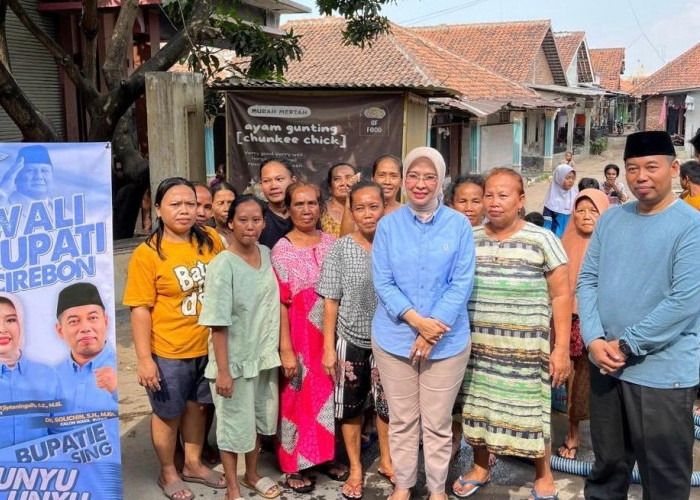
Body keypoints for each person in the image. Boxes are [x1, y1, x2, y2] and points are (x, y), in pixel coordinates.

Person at [578, 131, 700, 500]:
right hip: (606, 365)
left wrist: (628, 345)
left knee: (662, 476)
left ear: (674, 168)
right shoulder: (612, 220)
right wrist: (594, 340)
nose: (641, 176)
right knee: (607, 466)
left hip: (662, 373)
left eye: (651, 166)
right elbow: (587, 279)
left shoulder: (691, 226)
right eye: (633, 168)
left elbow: (684, 301)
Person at [455, 168, 571, 500]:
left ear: (521, 201)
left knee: (532, 414)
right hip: (479, 350)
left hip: (525, 352)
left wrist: (560, 348)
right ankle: (480, 466)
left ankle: (543, 473)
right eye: (488, 195)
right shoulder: (470, 239)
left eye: (503, 195)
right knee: (476, 410)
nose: (493, 202)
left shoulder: (543, 239)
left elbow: (562, 295)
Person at [372, 146, 475, 500]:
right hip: (394, 337)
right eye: (413, 176)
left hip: (447, 341)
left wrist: (433, 329)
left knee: (436, 422)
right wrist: (418, 322)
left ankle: (436, 489)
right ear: (403, 180)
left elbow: (461, 282)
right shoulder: (388, 225)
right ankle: (403, 485)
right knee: (402, 420)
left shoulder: (459, 225)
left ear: (440, 180)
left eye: (429, 176)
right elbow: (383, 281)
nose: (420, 184)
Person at [123, 177, 225, 500]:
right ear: (158, 209)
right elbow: (140, 309)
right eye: (175, 204)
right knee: (168, 413)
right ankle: (168, 471)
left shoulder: (210, 240)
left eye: (190, 204)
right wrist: (144, 359)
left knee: (197, 407)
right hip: (169, 350)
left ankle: (193, 464)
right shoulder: (148, 254)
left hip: (206, 345)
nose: (184, 210)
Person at [199, 195, 281, 500]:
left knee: (258, 419)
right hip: (232, 362)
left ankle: (253, 474)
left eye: (256, 220)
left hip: (262, 357)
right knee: (233, 427)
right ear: (230, 223)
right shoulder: (223, 265)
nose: (250, 226)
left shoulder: (266, 253)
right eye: (243, 220)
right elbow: (217, 323)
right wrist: (223, 371)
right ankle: (232, 487)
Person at [317, 181, 393, 499]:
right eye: (359, 207)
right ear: (351, 210)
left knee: (386, 406)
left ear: (384, 207)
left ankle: (387, 461)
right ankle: (356, 468)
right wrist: (328, 348)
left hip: (389, 340)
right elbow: (330, 300)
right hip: (350, 339)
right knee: (350, 409)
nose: (367, 214)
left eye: (373, 206)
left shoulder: (395, 245)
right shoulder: (341, 248)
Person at [271, 182, 345, 493]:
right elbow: (280, 303)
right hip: (298, 337)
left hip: (329, 334)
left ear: (321, 207)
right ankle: (292, 466)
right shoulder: (281, 249)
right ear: (287, 209)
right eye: (299, 204)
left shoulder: (332, 243)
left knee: (328, 397)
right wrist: (286, 349)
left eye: (312, 203)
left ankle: (324, 457)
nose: (306, 209)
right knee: (295, 400)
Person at [556, 190, 609, 461]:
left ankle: (608, 440)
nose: (586, 216)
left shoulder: (613, 244)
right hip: (571, 320)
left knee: (604, 383)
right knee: (574, 381)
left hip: (604, 324)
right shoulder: (561, 243)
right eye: (580, 210)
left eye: (593, 211)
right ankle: (573, 434)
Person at [0, 293, 63, 447]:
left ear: (21, 322)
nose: (2, 329)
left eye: (10, 320)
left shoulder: (48, 374)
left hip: (40, 469)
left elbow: (58, 431)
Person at [54, 282, 118, 413]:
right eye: (73, 321)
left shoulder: (120, 370)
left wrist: (116, 389)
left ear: (106, 322)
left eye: (93, 318)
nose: (85, 328)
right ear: (60, 330)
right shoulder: (51, 377)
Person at [258, 158, 297, 249]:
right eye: (267, 181)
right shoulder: (258, 216)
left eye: (279, 179)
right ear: (261, 185)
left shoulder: (305, 213)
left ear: (293, 181)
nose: (273, 186)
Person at [321, 163, 356, 237]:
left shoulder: (364, 210)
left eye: (349, 178)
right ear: (330, 186)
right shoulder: (321, 210)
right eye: (337, 179)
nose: (343, 183)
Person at [543, 164, 577, 237]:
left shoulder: (576, 196)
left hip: (571, 237)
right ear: (559, 178)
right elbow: (547, 223)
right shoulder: (551, 199)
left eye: (573, 178)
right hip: (555, 238)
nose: (571, 181)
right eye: (567, 178)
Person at [211, 181, 238, 246]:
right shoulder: (209, 239)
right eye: (221, 203)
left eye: (230, 202)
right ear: (210, 210)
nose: (227, 209)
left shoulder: (247, 235)